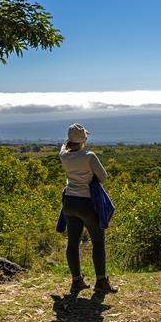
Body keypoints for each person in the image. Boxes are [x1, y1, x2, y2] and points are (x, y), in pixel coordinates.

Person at [59, 123, 118, 294]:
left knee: (72, 244)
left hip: (69, 202)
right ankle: (101, 281)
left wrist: (71, 139)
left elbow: (64, 146)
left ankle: (77, 281)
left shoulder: (63, 155)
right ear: (83, 139)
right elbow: (103, 177)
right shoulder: (89, 156)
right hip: (86, 203)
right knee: (98, 242)